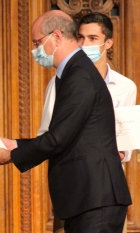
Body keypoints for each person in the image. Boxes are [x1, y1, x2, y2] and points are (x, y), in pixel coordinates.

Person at [0, 10, 132, 233]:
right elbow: (66, 135)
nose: (34, 50)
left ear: (57, 37)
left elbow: (58, 138)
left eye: (37, 42)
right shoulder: (72, 73)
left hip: (95, 199)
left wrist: (12, 155)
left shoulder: (79, 75)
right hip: (83, 199)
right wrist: (15, 144)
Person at [38, 12, 137, 233]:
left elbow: (126, 139)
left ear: (108, 42)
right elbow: (46, 133)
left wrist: (122, 152)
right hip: (72, 185)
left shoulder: (126, 86)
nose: (85, 44)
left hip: (106, 189)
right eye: (80, 38)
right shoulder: (59, 82)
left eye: (93, 38)